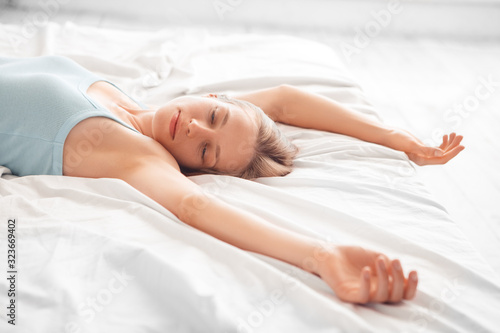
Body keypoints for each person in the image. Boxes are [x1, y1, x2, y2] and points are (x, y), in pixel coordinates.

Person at [0, 55, 464, 304]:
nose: (195, 128)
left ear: (198, 169)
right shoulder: (143, 106)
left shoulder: (135, 153)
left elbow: (195, 207)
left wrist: (322, 256)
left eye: (205, 151)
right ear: (216, 96)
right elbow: (282, 101)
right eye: (215, 114)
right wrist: (396, 137)